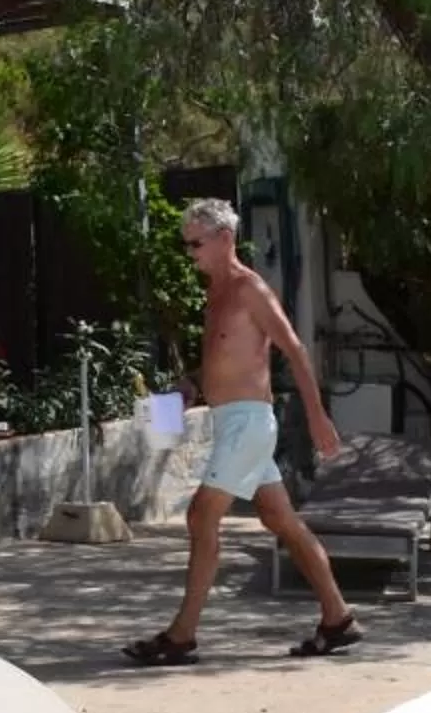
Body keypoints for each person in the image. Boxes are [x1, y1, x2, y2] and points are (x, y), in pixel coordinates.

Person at [124, 200, 362, 665]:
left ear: (224, 238)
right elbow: (227, 357)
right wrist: (192, 384)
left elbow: (293, 348)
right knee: (283, 522)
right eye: (186, 242)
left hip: (249, 424)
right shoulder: (216, 293)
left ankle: (181, 635)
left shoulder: (249, 288)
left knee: (200, 517)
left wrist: (317, 416)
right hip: (232, 422)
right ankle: (338, 619)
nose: (189, 251)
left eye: (196, 242)